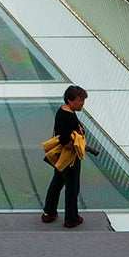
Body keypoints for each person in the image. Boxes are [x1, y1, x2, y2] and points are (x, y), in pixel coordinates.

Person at [41, 85, 96, 228]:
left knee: (57, 183)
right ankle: (71, 219)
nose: (82, 103)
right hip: (69, 158)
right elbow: (65, 139)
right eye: (80, 100)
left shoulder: (63, 110)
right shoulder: (68, 116)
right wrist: (78, 146)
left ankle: (49, 212)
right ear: (70, 101)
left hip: (61, 157)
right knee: (72, 188)